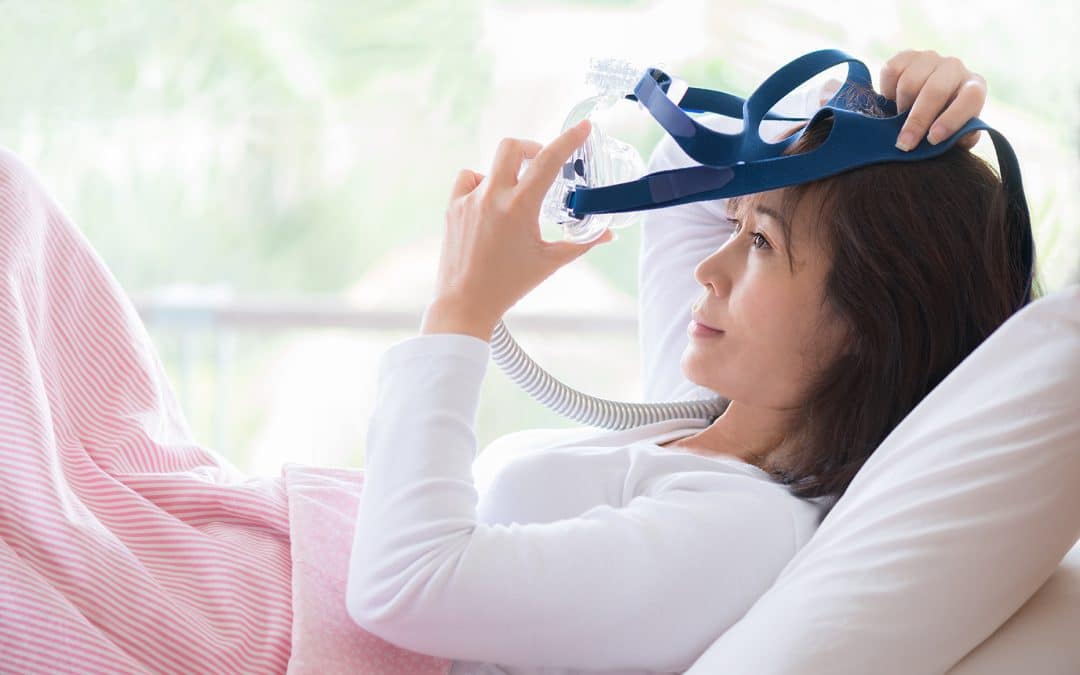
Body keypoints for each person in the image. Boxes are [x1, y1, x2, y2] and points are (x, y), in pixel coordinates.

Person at [345, 49, 1034, 675]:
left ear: (870, 317)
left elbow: (405, 582)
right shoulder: (705, 417)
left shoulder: (741, 527)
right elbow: (683, 165)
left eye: (760, 242)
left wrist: (460, 310)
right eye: (736, 223)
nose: (710, 266)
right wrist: (879, 109)